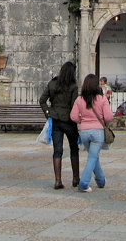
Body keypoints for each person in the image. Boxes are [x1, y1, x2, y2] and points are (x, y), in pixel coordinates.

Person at [39, 61, 80, 190]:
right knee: (74, 149)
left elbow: (42, 100)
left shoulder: (52, 83)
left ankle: (58, 180)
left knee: (57, 150)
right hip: (69, 121)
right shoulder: (73, 86)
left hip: (56, 120)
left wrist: (48, 113)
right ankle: (75, 178)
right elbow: (74, 105)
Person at [70, 73, 114, 193]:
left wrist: (82, 121)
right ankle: (84, 183)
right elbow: (109, 116)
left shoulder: (79, 99)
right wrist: (103, 122)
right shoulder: (102, 99)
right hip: (97, 131)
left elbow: (73, 116)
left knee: (93, 157)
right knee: (92, 157)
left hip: (84, 131)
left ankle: (101, 180)